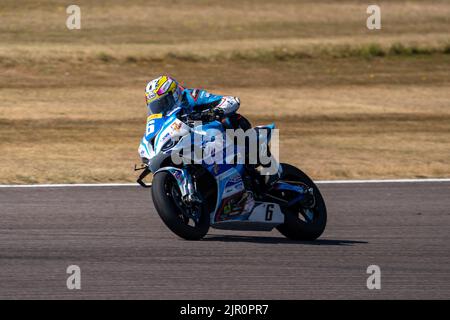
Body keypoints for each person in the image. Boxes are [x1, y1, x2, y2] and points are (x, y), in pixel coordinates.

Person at [144, 75, 250, 129]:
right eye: (156, 106)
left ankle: (251, 150)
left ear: (175, 94)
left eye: (163, 103)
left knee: (229, 119)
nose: (161, 108)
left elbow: (232, 101)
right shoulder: (160, 118)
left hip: (205, 127)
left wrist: (214, 112)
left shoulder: (192, 96)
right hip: (183, 136)